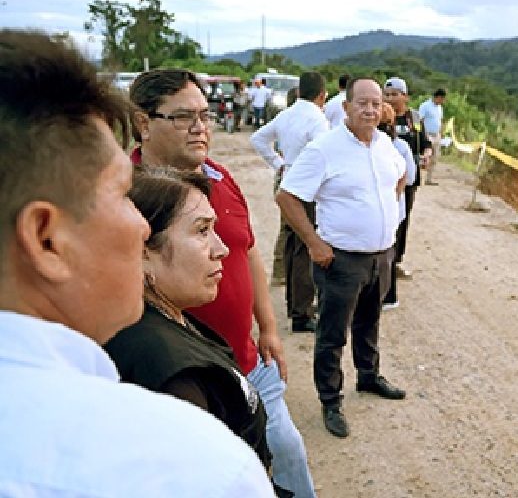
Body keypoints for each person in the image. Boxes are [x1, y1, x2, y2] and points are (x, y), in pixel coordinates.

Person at [0, 29, 272, 496]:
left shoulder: (220, 177)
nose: (143, 227)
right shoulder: (191, 465)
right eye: (125, 195)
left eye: (205, 116)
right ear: (47, 239)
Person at [129, 69, 316, 497]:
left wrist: (267, 327)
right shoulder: (124, 195)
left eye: (204, 114)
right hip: (187, 372)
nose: (200, 127)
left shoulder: (220, 177)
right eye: (183, 117)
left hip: (244, 359)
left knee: (286, 452)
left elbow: (246, 249)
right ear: (144, 123)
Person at [105, 166, 271, 470]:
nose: (221, 250)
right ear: (143, 251)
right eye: (202, 230)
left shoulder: (168, 316)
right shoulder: (165, 369)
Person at [276, 77, 408, 439]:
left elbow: (400, 176)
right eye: (361, 103)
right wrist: (314, 242)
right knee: (332, 333)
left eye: (376, 103)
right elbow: (287, 196)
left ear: (384, 109)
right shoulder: (325, 148)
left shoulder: (384, 144)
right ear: (345, 107)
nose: (369, 109)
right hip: (341, 260)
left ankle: (368, 377)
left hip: (380, 256)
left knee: (369, 322)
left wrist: (388, 222)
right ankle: (330, 400)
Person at [251, 72, 330, 333]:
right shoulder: (317, 118)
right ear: (321, 94)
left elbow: (258, 139)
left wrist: (279, 164)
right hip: (308, 187)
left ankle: (295, 304)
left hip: (288, 180)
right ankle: (303, 312)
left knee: (293, 244)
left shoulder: (287, 114)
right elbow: (324, 156)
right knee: (307, 246)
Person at [383, 76, 433, 287]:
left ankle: (396, 260)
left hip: (409, 180)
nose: (391, 99)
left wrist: (427, 154)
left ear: (406, 96)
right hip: (386, 179)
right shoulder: (381, 116)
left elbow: (425, 143)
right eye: (387, 95)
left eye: (395, 94)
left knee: (403, 220)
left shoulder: (414, 119)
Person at [378, 102, 418, 310]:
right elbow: (410, 178)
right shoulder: (400, 146)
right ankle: (389, 296)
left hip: (374, 207)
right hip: (395, 207)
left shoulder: (367, 144)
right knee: (389, 252)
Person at [418, 87, 446, 185]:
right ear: (437, 97)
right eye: (442, 99)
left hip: (436, 135)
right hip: (427, 134)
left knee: (435, 157)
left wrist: (441, 133)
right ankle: (419, 177)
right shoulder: (425, 106)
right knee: (425, 157)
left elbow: (440, 121)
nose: (443, 101)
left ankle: (428, 179)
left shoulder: (440, 108)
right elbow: (420, 120)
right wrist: (423, 134)